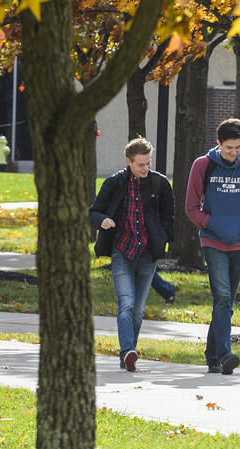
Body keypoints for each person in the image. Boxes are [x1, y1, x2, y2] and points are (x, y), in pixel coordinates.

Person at [186, 118, 240, 376]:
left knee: (226, 301)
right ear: (218, 143)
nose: (233, 152)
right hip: (212, 240)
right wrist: (211, 223)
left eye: (238, 147)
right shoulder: (203, 165)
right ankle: (225, 355)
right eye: (228, 148)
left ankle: (212, 356)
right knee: (222, 296)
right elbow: (191, 207)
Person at [89, 137, 174, 373]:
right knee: (126, 303)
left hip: (147, 255)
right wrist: (103, 220)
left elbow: (169, 216)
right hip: (122, 253)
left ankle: (127, 355)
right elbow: (93, 212)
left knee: (138, 311)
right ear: (129, 161)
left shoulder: (159, 183)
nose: (145, 168)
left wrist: (163, 238)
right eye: (140, 164)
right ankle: (128, 350)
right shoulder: (114, 183)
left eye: (148, 163)